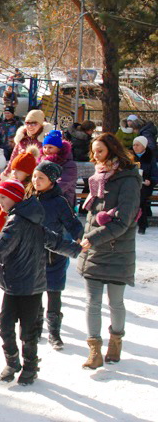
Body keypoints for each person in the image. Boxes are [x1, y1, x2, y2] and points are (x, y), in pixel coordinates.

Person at [0, 179, 81, 385]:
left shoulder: (17, 221)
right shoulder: (29, 217)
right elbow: (54, 240)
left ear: (15, 198)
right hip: (20, 283)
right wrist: (75, 248)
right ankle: (14, 362)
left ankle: (29, 366)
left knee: (25, 329)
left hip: (25, 284)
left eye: (3, 197)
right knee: (9, 325)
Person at [77, 133, 141, 369]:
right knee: (92, 302)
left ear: (112, 151)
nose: (96, 156)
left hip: (117, 251)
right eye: (93, 152)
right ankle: (94, 349)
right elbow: (92, 216)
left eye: (100, 151)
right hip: (94, 251)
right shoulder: (98, 177)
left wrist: (92, 238)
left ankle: (116, 341)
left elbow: (123, 221)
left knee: (115, 302)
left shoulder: (128, 179)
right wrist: (87, 237)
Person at [32, 161, 84, 350]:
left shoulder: (59, 201)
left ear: (52, 181)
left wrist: (80, 237)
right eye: (34, 176)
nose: (36, 180)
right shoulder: (28, 198)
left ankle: (54, 332)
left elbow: (72, 222)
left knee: (53, 293)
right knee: (34, 294)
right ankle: (35, 329)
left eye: (41, 178)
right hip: (33, 255)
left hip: (54, 255)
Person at [4, 109, 51, 176]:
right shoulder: (22, 138)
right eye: (27, 123)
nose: (30, 126)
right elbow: (14, 157)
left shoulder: (45, 140)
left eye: (34, 123)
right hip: (19, 174)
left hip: (37, 175)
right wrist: (7, 173)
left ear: (40, 124)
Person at [38, 129, 78, 206]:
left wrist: (43, 192)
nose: (47, 150)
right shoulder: (41, 163)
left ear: (59, 148)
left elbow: (63, 184)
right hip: (44, 198)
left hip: (63, 201)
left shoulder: (68, 164)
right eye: (45, 147)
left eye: (50, 147)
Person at [133, 135, 156, 234]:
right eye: (134, 145)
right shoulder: (129, 157)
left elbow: (155, 175)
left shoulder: (150, 158)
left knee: (140, 198)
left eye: (137, 145)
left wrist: (150, 181)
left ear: (144, 146)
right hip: (131, 184)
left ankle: (142, 225)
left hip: (145, 186)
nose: (135, 147)